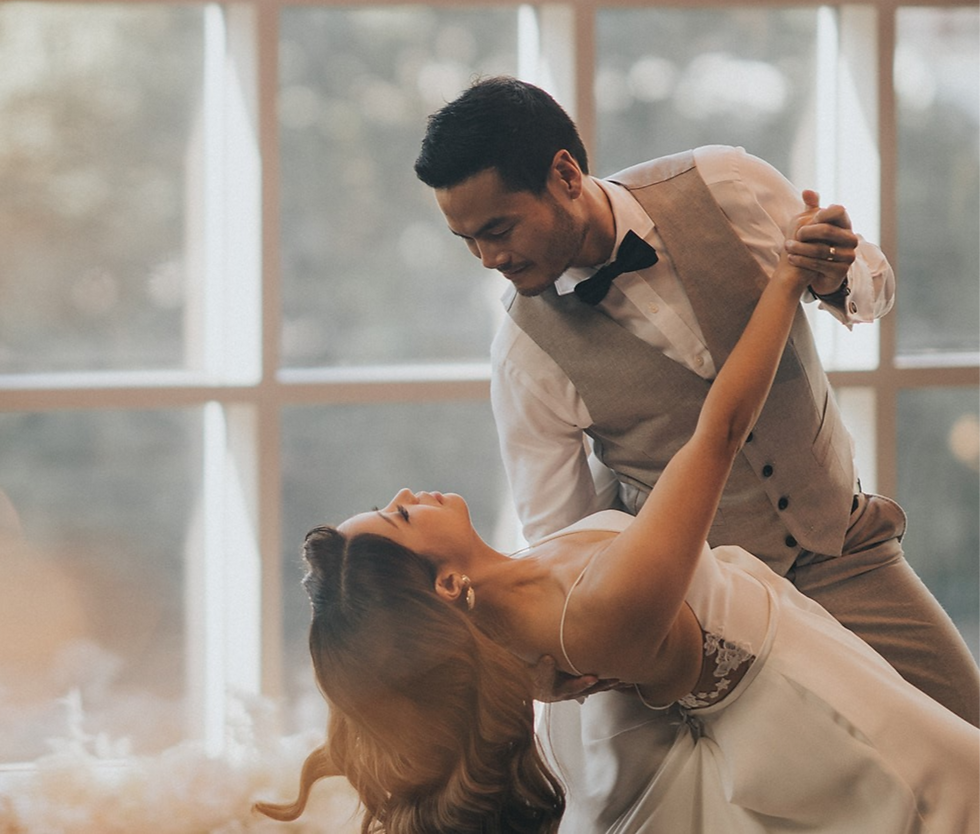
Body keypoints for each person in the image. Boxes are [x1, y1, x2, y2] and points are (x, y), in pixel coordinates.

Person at [255, 225, 980, 833]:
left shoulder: (520, 615)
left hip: (813, 673)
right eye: (400, 516)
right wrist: (786, 278)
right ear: (446, 584)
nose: (407, 494)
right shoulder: (594, 612)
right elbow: (720, 432)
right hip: (825, 712)